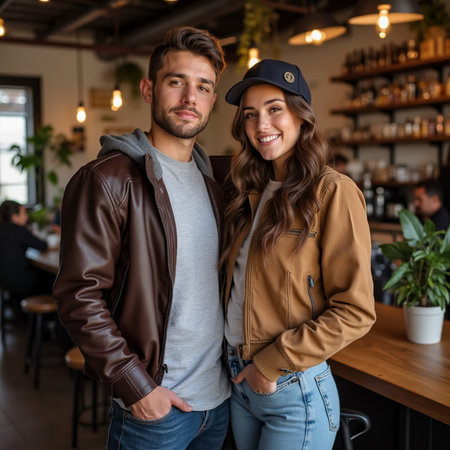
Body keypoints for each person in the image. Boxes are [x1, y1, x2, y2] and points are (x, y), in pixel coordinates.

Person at [53, 27, 231, 450]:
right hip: (157, 410)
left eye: (203, 87)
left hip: (220, 403)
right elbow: (78, 294)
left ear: (212, 100)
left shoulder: (216, 185)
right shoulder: (108, 179)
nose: (190, 98)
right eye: (177, 82)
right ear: (149, 89)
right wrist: (136, 387)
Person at [221, 59, 376, 449]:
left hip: (292, 387)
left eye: (275, 109)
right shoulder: (250, 193)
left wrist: (271, 364)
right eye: (251, 114)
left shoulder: (331, 192)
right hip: (240, 381)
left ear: (302, 116)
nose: (261, 125)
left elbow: (355, 311)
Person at [0, 200, 52, 297]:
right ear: (15, 216)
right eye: (24, 213)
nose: (27, 216)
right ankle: (50, 310)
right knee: (49, 276)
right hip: (18, 280)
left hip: (3, 280)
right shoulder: (19, 230)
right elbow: (42, 246)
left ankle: (18, 306)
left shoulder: (2, 228)